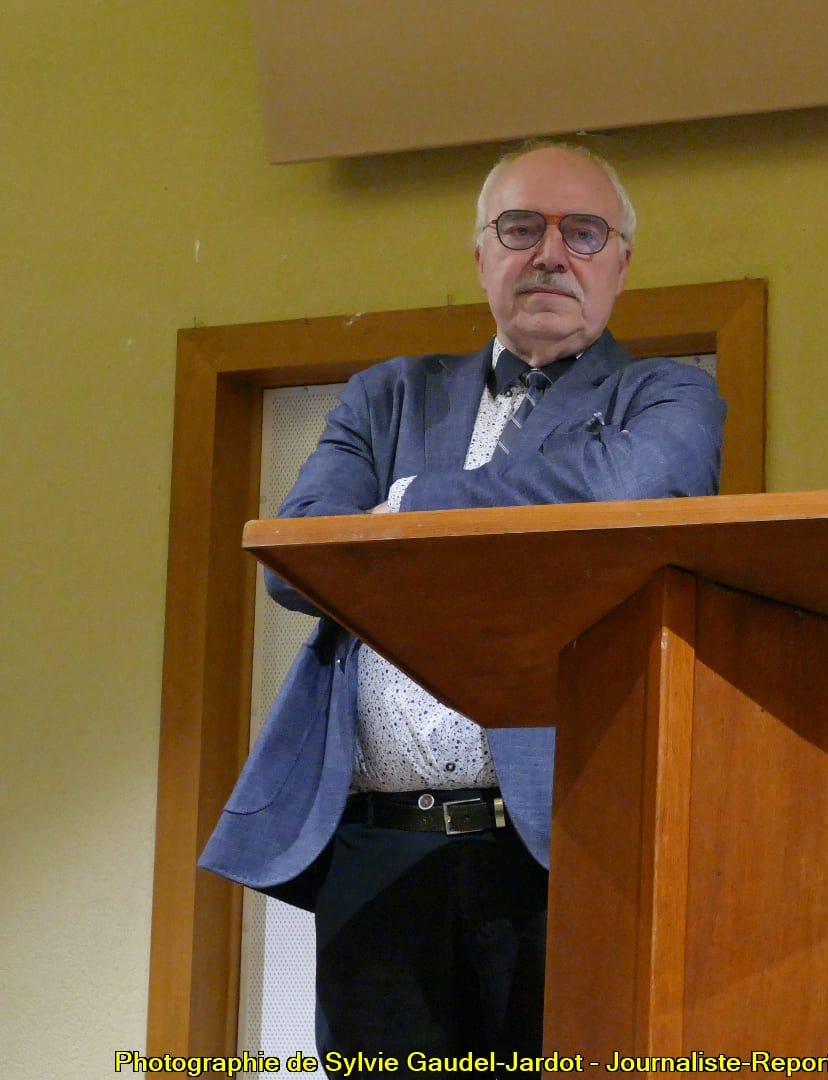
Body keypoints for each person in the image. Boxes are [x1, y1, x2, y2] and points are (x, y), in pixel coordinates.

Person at [199, 141, 726, 1076]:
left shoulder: (666, 394)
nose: (551, 254)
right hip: (378, 852)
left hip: (563, 852)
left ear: (620, 263)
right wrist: (532, 524)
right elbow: (297, 556)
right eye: (521, 229)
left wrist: (407, 507)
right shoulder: (389, 395)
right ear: (482, 254)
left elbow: (626, 488)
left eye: (583, 232)